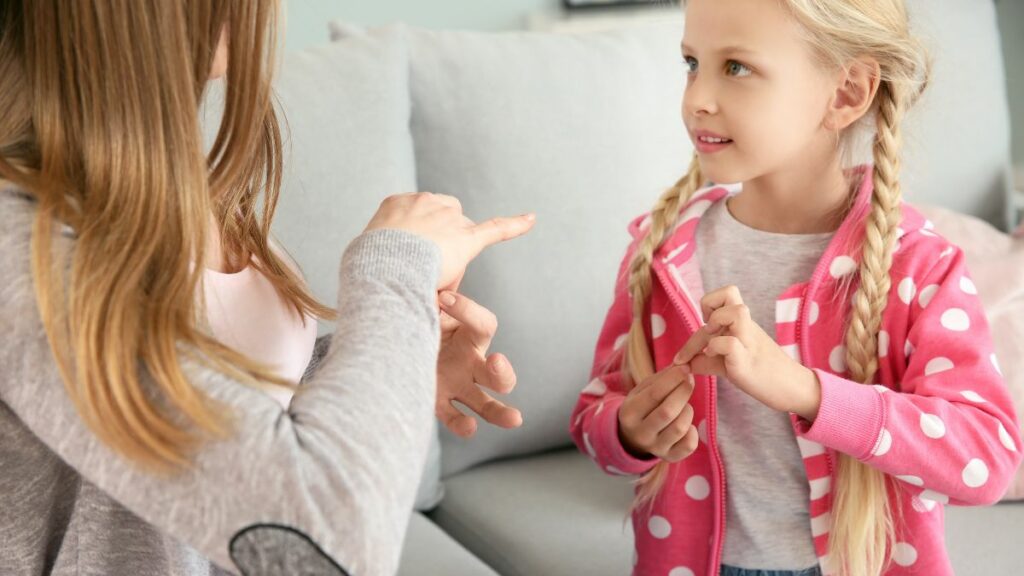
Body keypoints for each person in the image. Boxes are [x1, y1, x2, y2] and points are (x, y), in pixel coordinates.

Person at [0, 1, 533, 575]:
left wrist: (384, 367)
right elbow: (327, 543)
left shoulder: (175, 180)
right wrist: (393, 271)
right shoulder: (20, 248)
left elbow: (214, 418)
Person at [570, 1, 1022, 575]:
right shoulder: (660, 253)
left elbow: (984, 459)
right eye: (691, 63)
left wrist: (807, 391)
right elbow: (591, 420)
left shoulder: (917, 265)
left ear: (846, 94)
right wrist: (629, 433)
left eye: (736, 67)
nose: (696, 99)